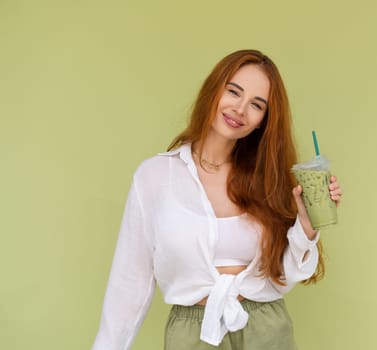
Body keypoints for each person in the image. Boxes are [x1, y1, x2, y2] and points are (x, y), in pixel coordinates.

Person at [92, 49, 342, 350]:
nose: (240, 109)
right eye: (233, 91)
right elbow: (130, 283)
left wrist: (306, 224)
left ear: (264, 120)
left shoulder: (269, 180)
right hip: (193, 333)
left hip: (265, 327)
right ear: (214, 89)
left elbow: (285, 274)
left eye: (256, 105)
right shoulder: (155, 176)